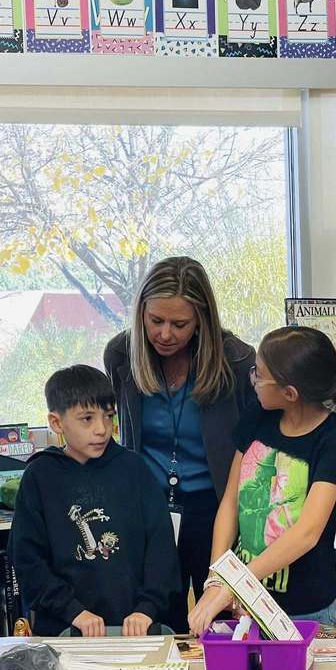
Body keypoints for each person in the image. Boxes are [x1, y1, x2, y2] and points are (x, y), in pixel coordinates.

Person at [188, 326, 336, 635]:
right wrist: (216, 579)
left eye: (259, 375)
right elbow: (231, 503)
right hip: (244, 602)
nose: (253, 381)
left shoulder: (333, 441)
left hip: (305, 609)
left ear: (289, 393)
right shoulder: (258, 416)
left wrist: (233, 584)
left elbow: (307, 533)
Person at [104, 256, 255, 611]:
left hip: (215, 510)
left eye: (180, 323)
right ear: (141, 311)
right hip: (151, 508)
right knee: (156, 612)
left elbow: (255, 447)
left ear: (202, 320)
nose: (165, 334)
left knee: (218, 614)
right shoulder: (120, 355)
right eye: (156, 320)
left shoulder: (237, 360)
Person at [10, 365, 181, 637]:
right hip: (65, 631)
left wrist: (147, 608)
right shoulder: (39, 476)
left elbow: (161, 549)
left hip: (137, 630)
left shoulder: (134, 469)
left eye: (108, 416)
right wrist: (73, 611)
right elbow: (28, 561)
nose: (102, 429)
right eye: (87, 419)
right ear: (56, 423)